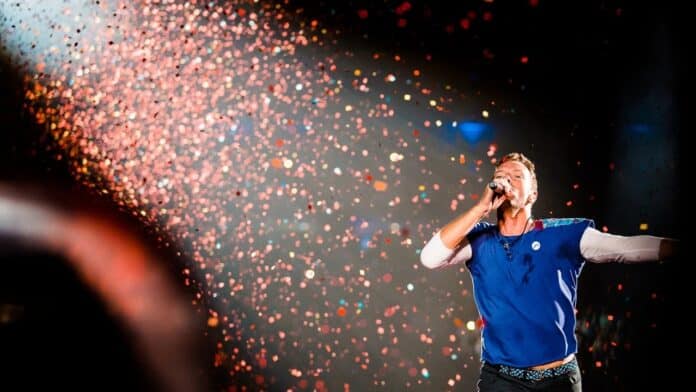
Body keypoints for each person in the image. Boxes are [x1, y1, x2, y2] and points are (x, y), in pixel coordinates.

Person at [419, 152, 677, 392]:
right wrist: (479, 209)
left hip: (558, 379)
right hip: (500, 380)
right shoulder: (478, 240)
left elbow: (627, 248)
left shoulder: (564, 234)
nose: (507, 179)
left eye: (517, 176)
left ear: (532, 194)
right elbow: (430, 258)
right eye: (501, 175)